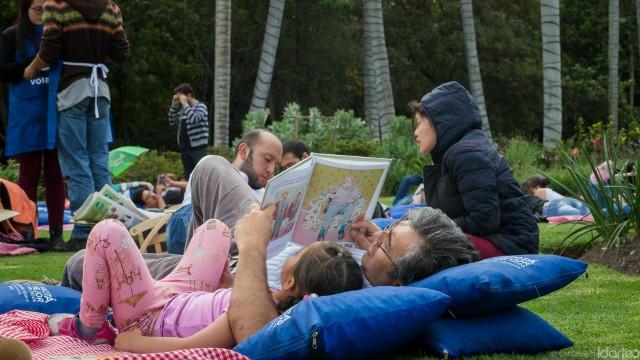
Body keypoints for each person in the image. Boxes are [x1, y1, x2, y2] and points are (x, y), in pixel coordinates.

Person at [50, 210, 363, 352]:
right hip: (180, 295)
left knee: (107, 233)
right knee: (216, 229)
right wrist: (226, 284)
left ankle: (90, 327)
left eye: (300, 252)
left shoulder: (249, 317)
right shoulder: (266, 298)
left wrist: (136, 345)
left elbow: (189, 347)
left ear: (291, 279)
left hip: (150, 317)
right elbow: (216, 305)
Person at [60, 129, 283, 291]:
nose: (272, 170)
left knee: (209, 166)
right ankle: (245, 250)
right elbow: (181, 223)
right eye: (267, 159)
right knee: (81, 261)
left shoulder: (265, 193)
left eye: (277, 165)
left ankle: (243, 253)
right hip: (207, 257)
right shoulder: (224, 180)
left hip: (227, 270)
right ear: (244, 150)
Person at [228, 205, 480, 342]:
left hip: (243, 262)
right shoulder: (377, 264)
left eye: (386, 242)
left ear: (397, 281)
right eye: (388, 228)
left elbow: (254, 337)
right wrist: (369, 242)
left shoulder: (356, 298)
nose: (378, 237)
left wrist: (252, 245)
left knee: (212, 169)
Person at [23, 0, 130, 246]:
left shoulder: (57, 6)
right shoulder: (111, 8)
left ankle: (83, 230)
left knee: (76, 163)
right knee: (100, 161)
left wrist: (32, 68)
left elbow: (49, 49)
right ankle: (110, 229)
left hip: (71, 90)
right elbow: (122, 52)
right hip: (100, 90)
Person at [410, 81, 539, 258]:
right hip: (492, 239)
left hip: (509, 244)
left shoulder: (468, 154)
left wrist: (431, 229)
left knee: (417, 246)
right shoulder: (456, 153)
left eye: (419, 123)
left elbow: (484, 219)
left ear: (440, 122)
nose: (415, 132)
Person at [0, 0, 66, 248]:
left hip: (53, 111)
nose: (42, 15)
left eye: (46, 10)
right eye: (37, 10)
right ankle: (26, 232)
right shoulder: (11, 35)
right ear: (25, 10)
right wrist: (31, 66)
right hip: (25, 113)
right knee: (28, 174)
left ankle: (57, 235)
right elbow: (3, 70)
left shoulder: (58, 34)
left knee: (55, 174)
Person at [168, 83, 209, 179]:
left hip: (198, 148)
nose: (180, 99)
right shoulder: (183, 110)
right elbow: (171, 121)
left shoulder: (201, 107)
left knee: (201, 174)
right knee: (189, 176)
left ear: (189, 95)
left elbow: (193, 119)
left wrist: (185, 104)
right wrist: (174, 105)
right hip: (185, 148)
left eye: (181, 96)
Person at [521, 175, 590, 218]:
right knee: (588, 214)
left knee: (578, 215)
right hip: (568, 200)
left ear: (536, 187)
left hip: (558, 204)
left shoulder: (538, 191)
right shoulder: (547, 190)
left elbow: (541, 206)